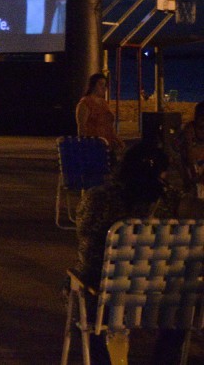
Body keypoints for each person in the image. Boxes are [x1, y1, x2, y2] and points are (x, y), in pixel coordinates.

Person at [72, 140, 182, 364]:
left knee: (83, 293)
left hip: (107, 297)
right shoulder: (168, 202)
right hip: (157, 298)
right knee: (181, 308)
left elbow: (86, 243)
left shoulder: (98, 198)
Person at [76, 73, 123, 154]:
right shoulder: (85, 104)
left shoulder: (103, 103)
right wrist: (84, 147)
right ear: (92, 86)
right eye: (100, 84)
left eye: (105, 85)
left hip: (108, 145)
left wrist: (118, 140)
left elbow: (109, 126)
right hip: (94, 146)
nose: (104, 88)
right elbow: (82, 127)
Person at [172, 100, 204, 216]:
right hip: (184, 160)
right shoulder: (189, 130)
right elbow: (188, 152)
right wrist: (192, 176)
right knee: (191, 189)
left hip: (199, 160)